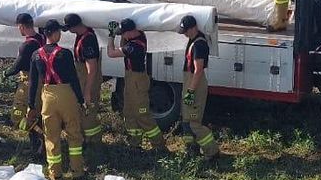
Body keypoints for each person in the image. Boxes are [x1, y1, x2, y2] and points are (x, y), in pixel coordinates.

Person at [26, 19, 85, 180]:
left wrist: (31, 104)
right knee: (73, 134)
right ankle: (77, 171)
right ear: (55, 33)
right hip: (66, 93)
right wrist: (80, 100)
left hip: (47, 96)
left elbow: (33, 82)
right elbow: (74, 78)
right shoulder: (65, 53)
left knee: (51, 136)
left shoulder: (36, 55)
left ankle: (55, 174)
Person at [106, 18, 165, 151]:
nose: (122, 36)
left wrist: (111, 36)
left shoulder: (134, 46)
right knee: (129, 112)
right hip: (131, 79)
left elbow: (111, 53)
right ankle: (134, 143)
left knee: (142, 114)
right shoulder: (139, 36)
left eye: (123, 33)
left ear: (131, 32)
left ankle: (159, 145)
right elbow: (124, 41)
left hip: (137, 81)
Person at [178, 15, 219, 160]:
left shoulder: (199, 45)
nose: (185, 34)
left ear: (193, 28)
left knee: (194, 123)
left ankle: (212, 152)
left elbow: (198, 70)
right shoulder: (193, 40)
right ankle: (191, 149)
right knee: (186, 120)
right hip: (190, 83)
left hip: (195, 85)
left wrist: (190, 91)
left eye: (186, 31)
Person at [7, 12, 45, 155]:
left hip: (29, 82)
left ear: (21, 26)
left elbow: (18, 65)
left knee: (19, 115)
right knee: (37, 113)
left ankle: (39, 143)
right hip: (41, 82)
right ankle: (38, 145)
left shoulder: (27, 45)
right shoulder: (41, 38)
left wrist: (6, 73)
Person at [64, 13, 103, 144]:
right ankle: (85, 139)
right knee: (81, 110)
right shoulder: (82, 35)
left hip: (88, 80)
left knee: (88, 112)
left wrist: (87, 91)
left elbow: (92, 68)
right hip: (82, 78)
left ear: (74, 27)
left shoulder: (87, 40)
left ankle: (94, 142)